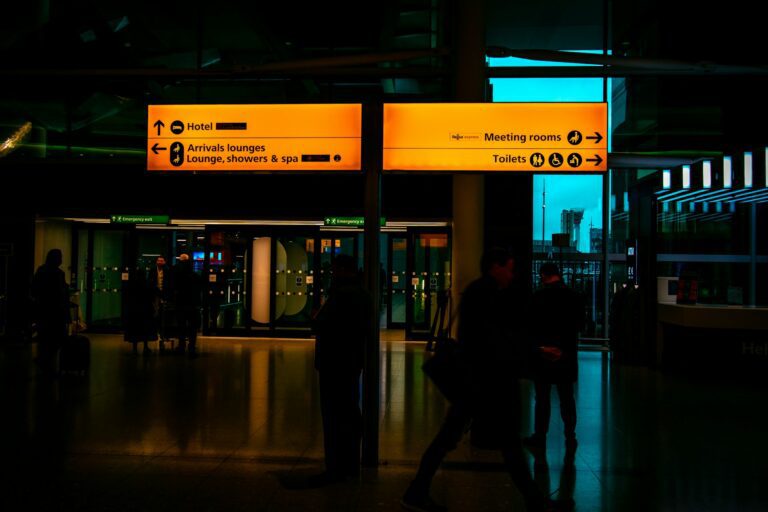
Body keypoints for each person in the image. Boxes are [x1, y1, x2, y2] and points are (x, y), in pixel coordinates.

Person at [402, 248, 569, 512]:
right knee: (508, 445)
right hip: (483, 385)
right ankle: (536, 502)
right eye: (510, 268)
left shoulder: (477, 292)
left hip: (475, 384)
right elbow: (494, 341)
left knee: (455, 439)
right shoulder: (487, 295)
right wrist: (535, 351)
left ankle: (416, 491)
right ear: (495, 267)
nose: (512, 275)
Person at [311, 254, 372, 484]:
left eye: (334, 269)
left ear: (342, 270)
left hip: (333, 363)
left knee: (333, 416)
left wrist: (316, 316)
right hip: (352, 361)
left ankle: (335, 467)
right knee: (349, 411)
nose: (331, 273)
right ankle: (350, 464)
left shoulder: (339, 296)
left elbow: (319, 325)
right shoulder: (363, 295)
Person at [523, 262, 585, 456]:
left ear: (543, 275)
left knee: (542, 398)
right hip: (565, 355)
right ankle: (570, 434)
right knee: (567, 397)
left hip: (542, 356)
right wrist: (563, 350)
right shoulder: (573, 297)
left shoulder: (538, 297)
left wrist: (541, 347)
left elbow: (529, 326)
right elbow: (580, 325)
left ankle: (540, 435)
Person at [31, 248, 71, 377]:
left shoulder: (41, 271)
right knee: (57, 339)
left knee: (45, 339)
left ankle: (44, 363)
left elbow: (34, 289)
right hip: (55, 313)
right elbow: (61, 294)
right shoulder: (59, 274)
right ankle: (47, 363)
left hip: (43, 311)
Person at [173, 254, 201, 357]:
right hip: (192, 305)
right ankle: (191, 347)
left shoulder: (177, 275)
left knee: (181, 326)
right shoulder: (195, 276)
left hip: (181, 304)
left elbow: (175, 289)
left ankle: (181, 346)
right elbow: (199, 290)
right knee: (192, 328)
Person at [124, 269, 156, 356]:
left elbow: (128, 296)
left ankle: (135, 348)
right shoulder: (147, 284)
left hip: (134, 310)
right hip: (145, 309)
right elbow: (151, 296)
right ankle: (145, 347)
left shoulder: (132, 284)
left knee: (135, 329)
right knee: (145, 329)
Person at [147, 256, 171, 349]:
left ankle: (162, 332)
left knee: (163, 314)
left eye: (162, 261)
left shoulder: (167, 271)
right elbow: (150, 282)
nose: (160, 262)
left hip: (164, 295)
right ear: (156, 262)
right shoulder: (153, 271)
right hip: (155, 295)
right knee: (155, 313)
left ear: (164, 262)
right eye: (159, 260)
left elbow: (169, 283)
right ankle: (155, 331)